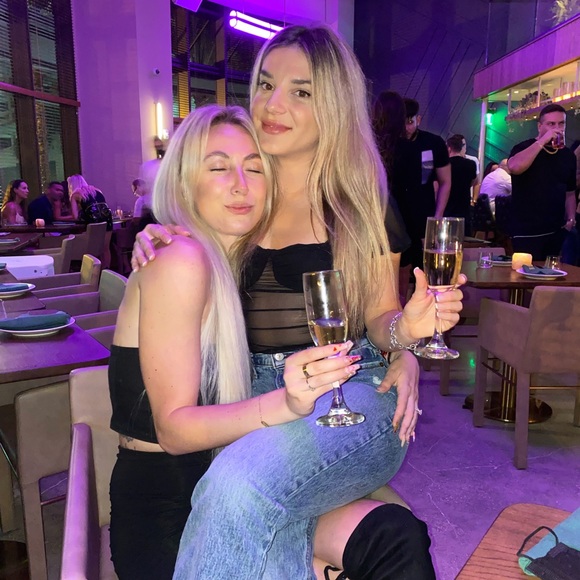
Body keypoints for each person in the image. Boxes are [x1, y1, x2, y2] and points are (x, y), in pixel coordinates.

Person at [134, 25, 464, 580]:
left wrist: (405, 336)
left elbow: (380, 320)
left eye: (300, 91)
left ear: (332, 105)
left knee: (237, 486)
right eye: (265, 85)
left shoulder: (357, 201)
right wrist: (157, 231)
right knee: (266, 528)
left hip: (351, 393)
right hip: (254, 398)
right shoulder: (241, 194)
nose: (272, 104)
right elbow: (185, 239)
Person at [507, 103, 577, 260]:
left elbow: (570, 192)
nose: (557, 128)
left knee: (553, 273)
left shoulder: (568, 156)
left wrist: (571, 219)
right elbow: (515, 167)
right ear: (540, 126)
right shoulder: (523, 147)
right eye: (551, 124)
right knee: (524, 272)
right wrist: (542, 141)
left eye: (561, 123)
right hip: (526, 230)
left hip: (556, 230)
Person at [394, 97, 451, 269]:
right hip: (395, 214)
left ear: (418, 120)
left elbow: (445, 181)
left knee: (424, 265)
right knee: (399, 265)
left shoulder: (433, 143)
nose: (406, 128)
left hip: (424, 213)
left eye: (410, 122)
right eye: (402, 123)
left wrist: (437, 216)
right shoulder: (391, 143)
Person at [67, 174, 113, 266]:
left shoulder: (75, 195)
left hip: (93, 222)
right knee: (105, 248)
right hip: (107, 219)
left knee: (92, 250)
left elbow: (75, 216)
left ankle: (93, 271)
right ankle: (106, 270)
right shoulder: (97, 190)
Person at [445, 134, 477, 233]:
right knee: (463, 236)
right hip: (464, 207)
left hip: (447, 206)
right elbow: (473, 182)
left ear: (449, 148)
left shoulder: (444, 164)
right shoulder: (471, 164)